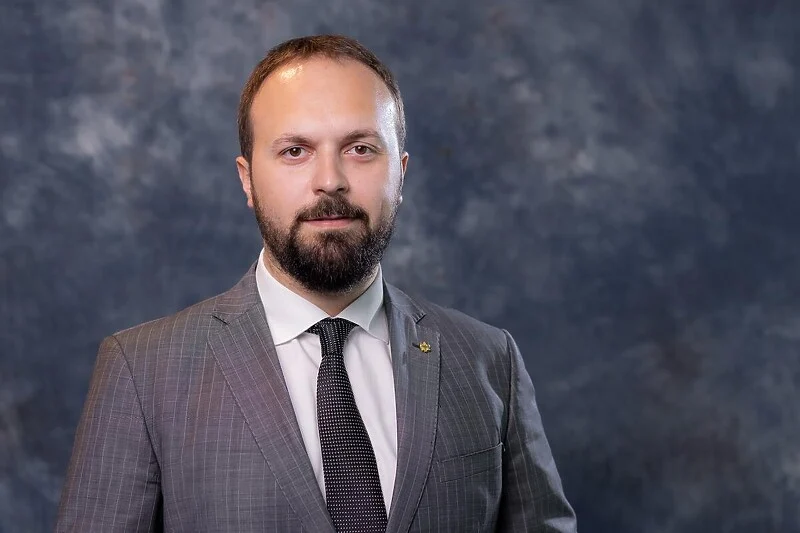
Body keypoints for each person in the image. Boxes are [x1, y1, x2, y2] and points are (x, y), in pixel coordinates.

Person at [55, 34, 577, 532]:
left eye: (360, 148)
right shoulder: (143, 372)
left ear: (400, 172)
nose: (330, 180)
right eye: (295, 151)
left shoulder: (489, 360)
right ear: (247, 179)